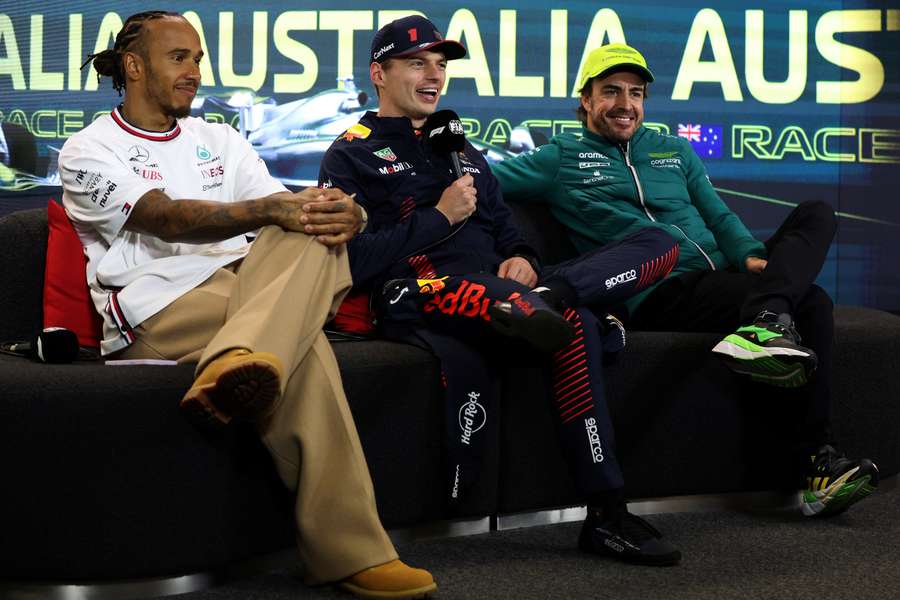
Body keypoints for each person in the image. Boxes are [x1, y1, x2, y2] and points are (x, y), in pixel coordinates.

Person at [59, 11, 435, 599]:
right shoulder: (87, 150)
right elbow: (163, 216)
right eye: (179, 57)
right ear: (134, 66)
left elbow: (291, 213)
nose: (194, 72)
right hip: (158, 306)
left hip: (251, 292)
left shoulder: (221, 138)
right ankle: (351, 554)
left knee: (311, 230)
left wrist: (347, 213)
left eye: (198, 59)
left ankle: (240, 360)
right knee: (304, 347)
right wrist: (272, 211)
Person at [320, 16, 685, 567]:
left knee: (659, 242)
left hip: (505, 293)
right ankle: (608, 507)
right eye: (417, 62)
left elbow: (510, 235)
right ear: (379, 73)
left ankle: (555, 298)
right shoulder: (350, 154)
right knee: (579, 327)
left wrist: (523, 259)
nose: (433, 75)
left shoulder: (463, 152)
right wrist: (439, 218)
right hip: (414, 293)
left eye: (440, 65)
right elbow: (350, 261)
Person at [491, 43, 879, 519]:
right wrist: (515, 249)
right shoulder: (558, 158)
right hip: (659, 288)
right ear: (586, 101)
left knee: (816, 214)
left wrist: (751, 257)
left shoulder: (673, 149)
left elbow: (718, 214)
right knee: (813, 300)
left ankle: (766, 317)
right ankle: (818, 459)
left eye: (636, 93)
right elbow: (484, 181)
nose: (625, 104)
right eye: (610, 91)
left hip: (721, 275)